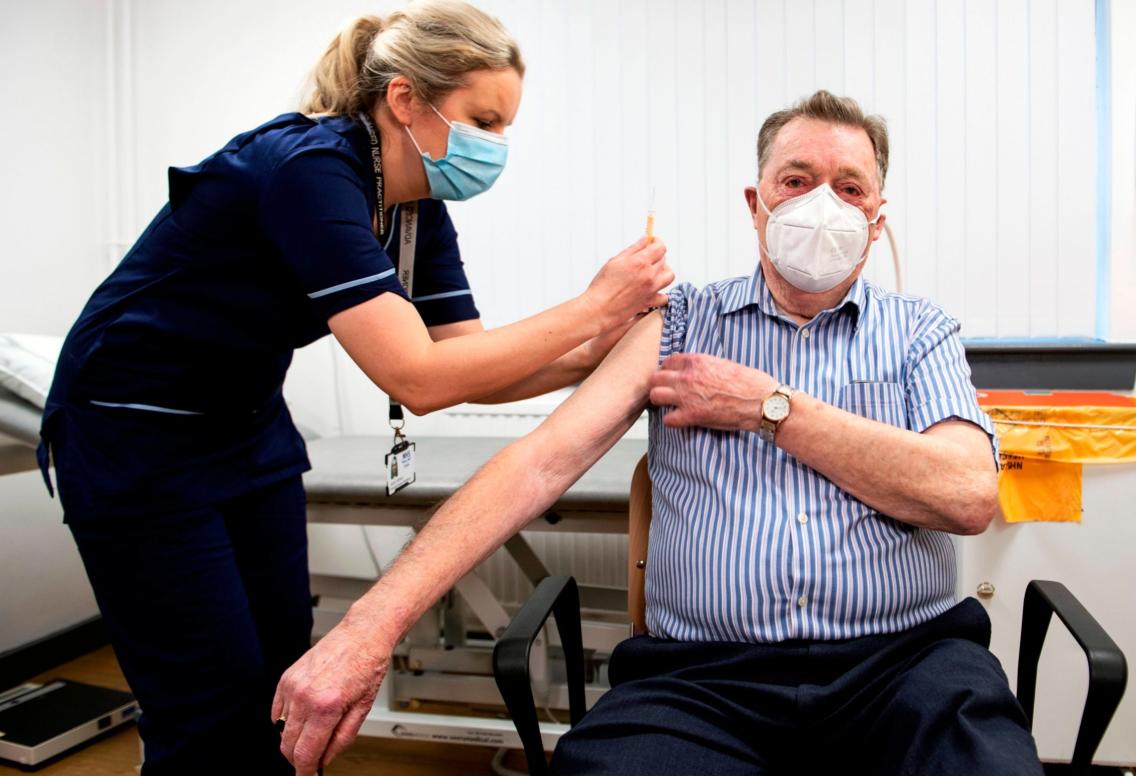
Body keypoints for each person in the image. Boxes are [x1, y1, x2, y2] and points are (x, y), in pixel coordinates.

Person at [272, 89, 1043, 775]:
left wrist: (770, 407)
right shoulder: (681, 323)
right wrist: (370, 626)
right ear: (756, 202)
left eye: (850, 189)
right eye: (797, 181)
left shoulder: (921, 333)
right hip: (703, 681)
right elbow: (540, 464)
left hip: (906, 667)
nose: (823, 206)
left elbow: (968, 493)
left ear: (876, 221)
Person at [37, 2, 671, 773]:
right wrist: (591, 305)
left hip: (247, 429)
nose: (496, 145)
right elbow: (416, 378)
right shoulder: (308, 169)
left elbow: (468, 359)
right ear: (406, 98)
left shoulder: (414, 209)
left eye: (506, 126)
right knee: (207, 706)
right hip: (134, 432)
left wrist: (600, 350)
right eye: (485, 119)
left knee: (278, 678)